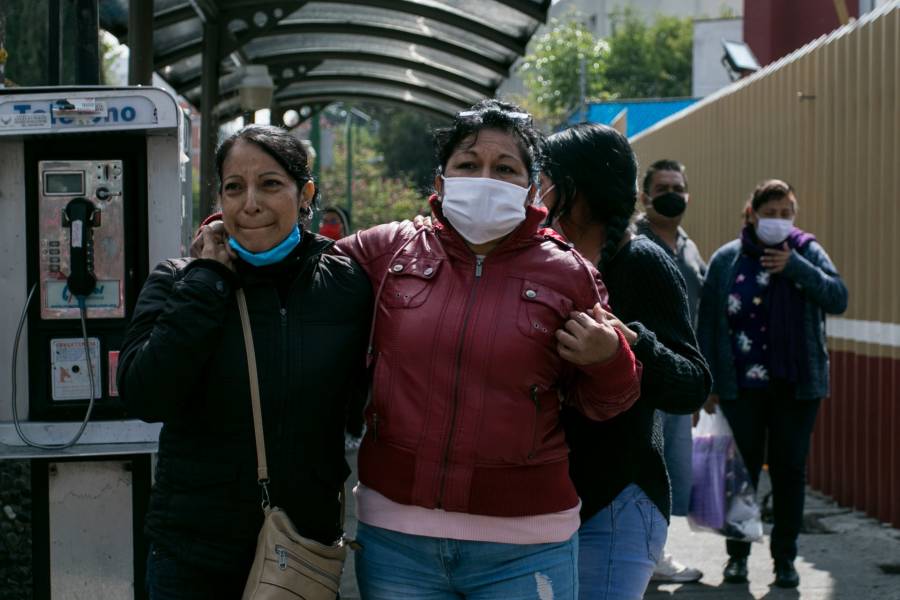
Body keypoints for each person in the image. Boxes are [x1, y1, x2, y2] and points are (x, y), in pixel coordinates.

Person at [335, 100, 643, 599]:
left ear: (531, 186)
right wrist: (227, 229)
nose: (484, 178)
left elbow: (610, 401)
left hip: (527, 548)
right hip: (398, 543)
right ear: (441, 180)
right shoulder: (388, 250)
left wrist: (608, 359)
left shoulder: (569, 273)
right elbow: (298, 272)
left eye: (504, 168)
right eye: (467, 164)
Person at [117, 125, 373, 599]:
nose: (250, 203)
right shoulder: (179, 282)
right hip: (192, 557)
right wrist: (209, 282)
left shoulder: (345, 285)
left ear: (305, 194)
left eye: (271, 184)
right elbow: (144, 394)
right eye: (235, 187)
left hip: (299, 552)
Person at [542, 124, 711, 600]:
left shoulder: (641, 262)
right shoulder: (544, 259)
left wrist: (627, 347)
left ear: (577, 189)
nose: (537, 189)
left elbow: (692, 384)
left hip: (617, 501)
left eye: (546, 177)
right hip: (544, 502)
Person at [697, 179, 848, 588]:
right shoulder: (727, 260)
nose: (779, 221)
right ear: (752, 214)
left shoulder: (807, 252)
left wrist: (795, 267)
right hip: (741, 387)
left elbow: (837, 297)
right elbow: (708, 324)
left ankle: (785, 560)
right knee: (740, 474)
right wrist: (708, 383)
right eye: (771, 213)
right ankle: (738, 558)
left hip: (796, 388)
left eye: (787, 214)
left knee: (789, 471)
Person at [636, 159, 707, 583]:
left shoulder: (689, 247)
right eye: (662, 187)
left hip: (680, 376)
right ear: (645, 196)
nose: (671, 194)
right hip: (644, 374)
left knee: (672, 470)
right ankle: (643, 555)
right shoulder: (634, 243)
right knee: (645, 466)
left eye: (678, 187)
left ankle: (655, 551)